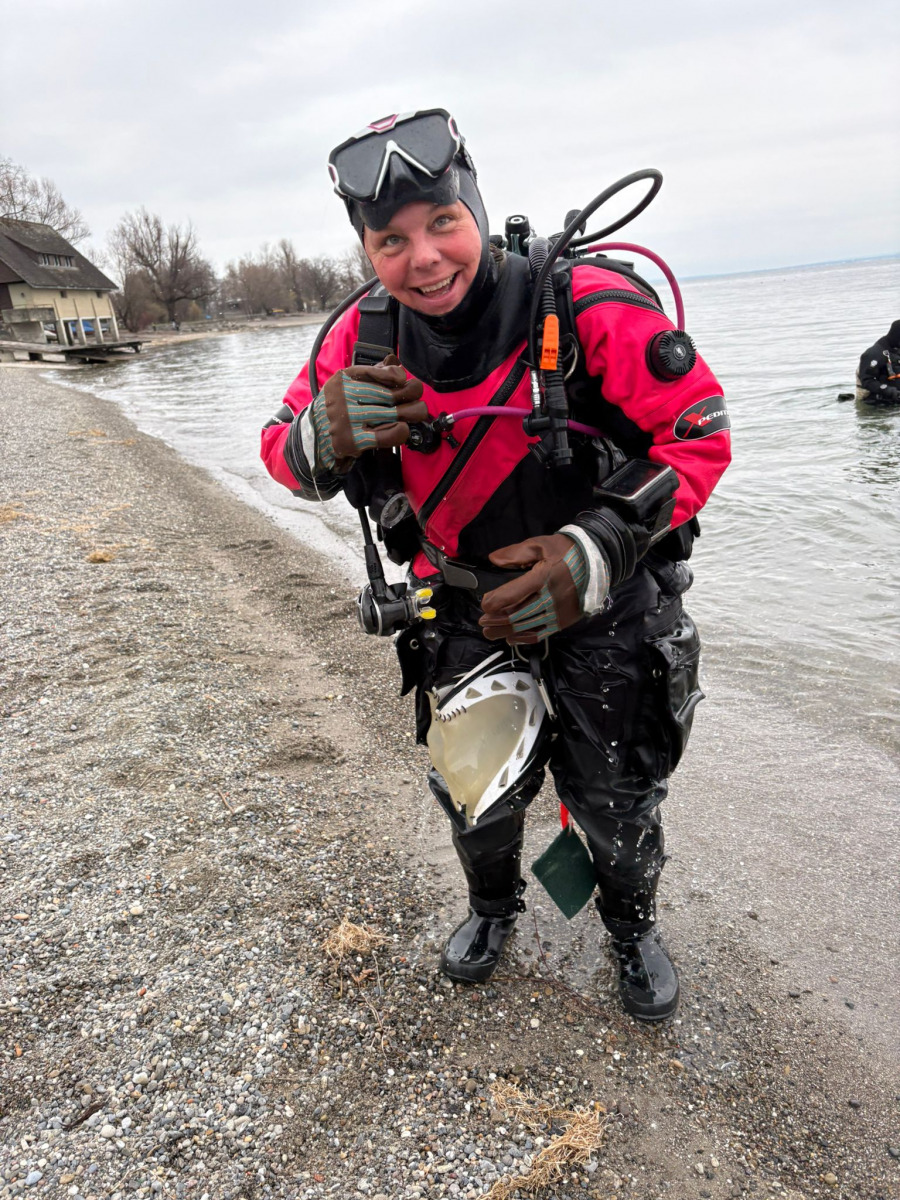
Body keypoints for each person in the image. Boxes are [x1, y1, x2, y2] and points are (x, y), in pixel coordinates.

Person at [261, 109, 731, 1021]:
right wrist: (320, 433)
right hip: (464, 605)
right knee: (477, 792)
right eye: (391, 241)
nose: (424, 258)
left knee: (618, 790)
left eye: (443, 222)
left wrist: (598, 545)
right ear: (366, 249)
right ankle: (492, 906)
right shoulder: (360, 337)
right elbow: (280, 451)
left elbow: (700, 434)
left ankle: (631, 928)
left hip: (608, 598)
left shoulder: (583, 303)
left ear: (475, 208)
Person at [856, 320, 900, 405]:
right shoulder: (873, 354)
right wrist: (889, 391)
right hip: (878, 403)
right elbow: (867, 381)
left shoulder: (895, 350)